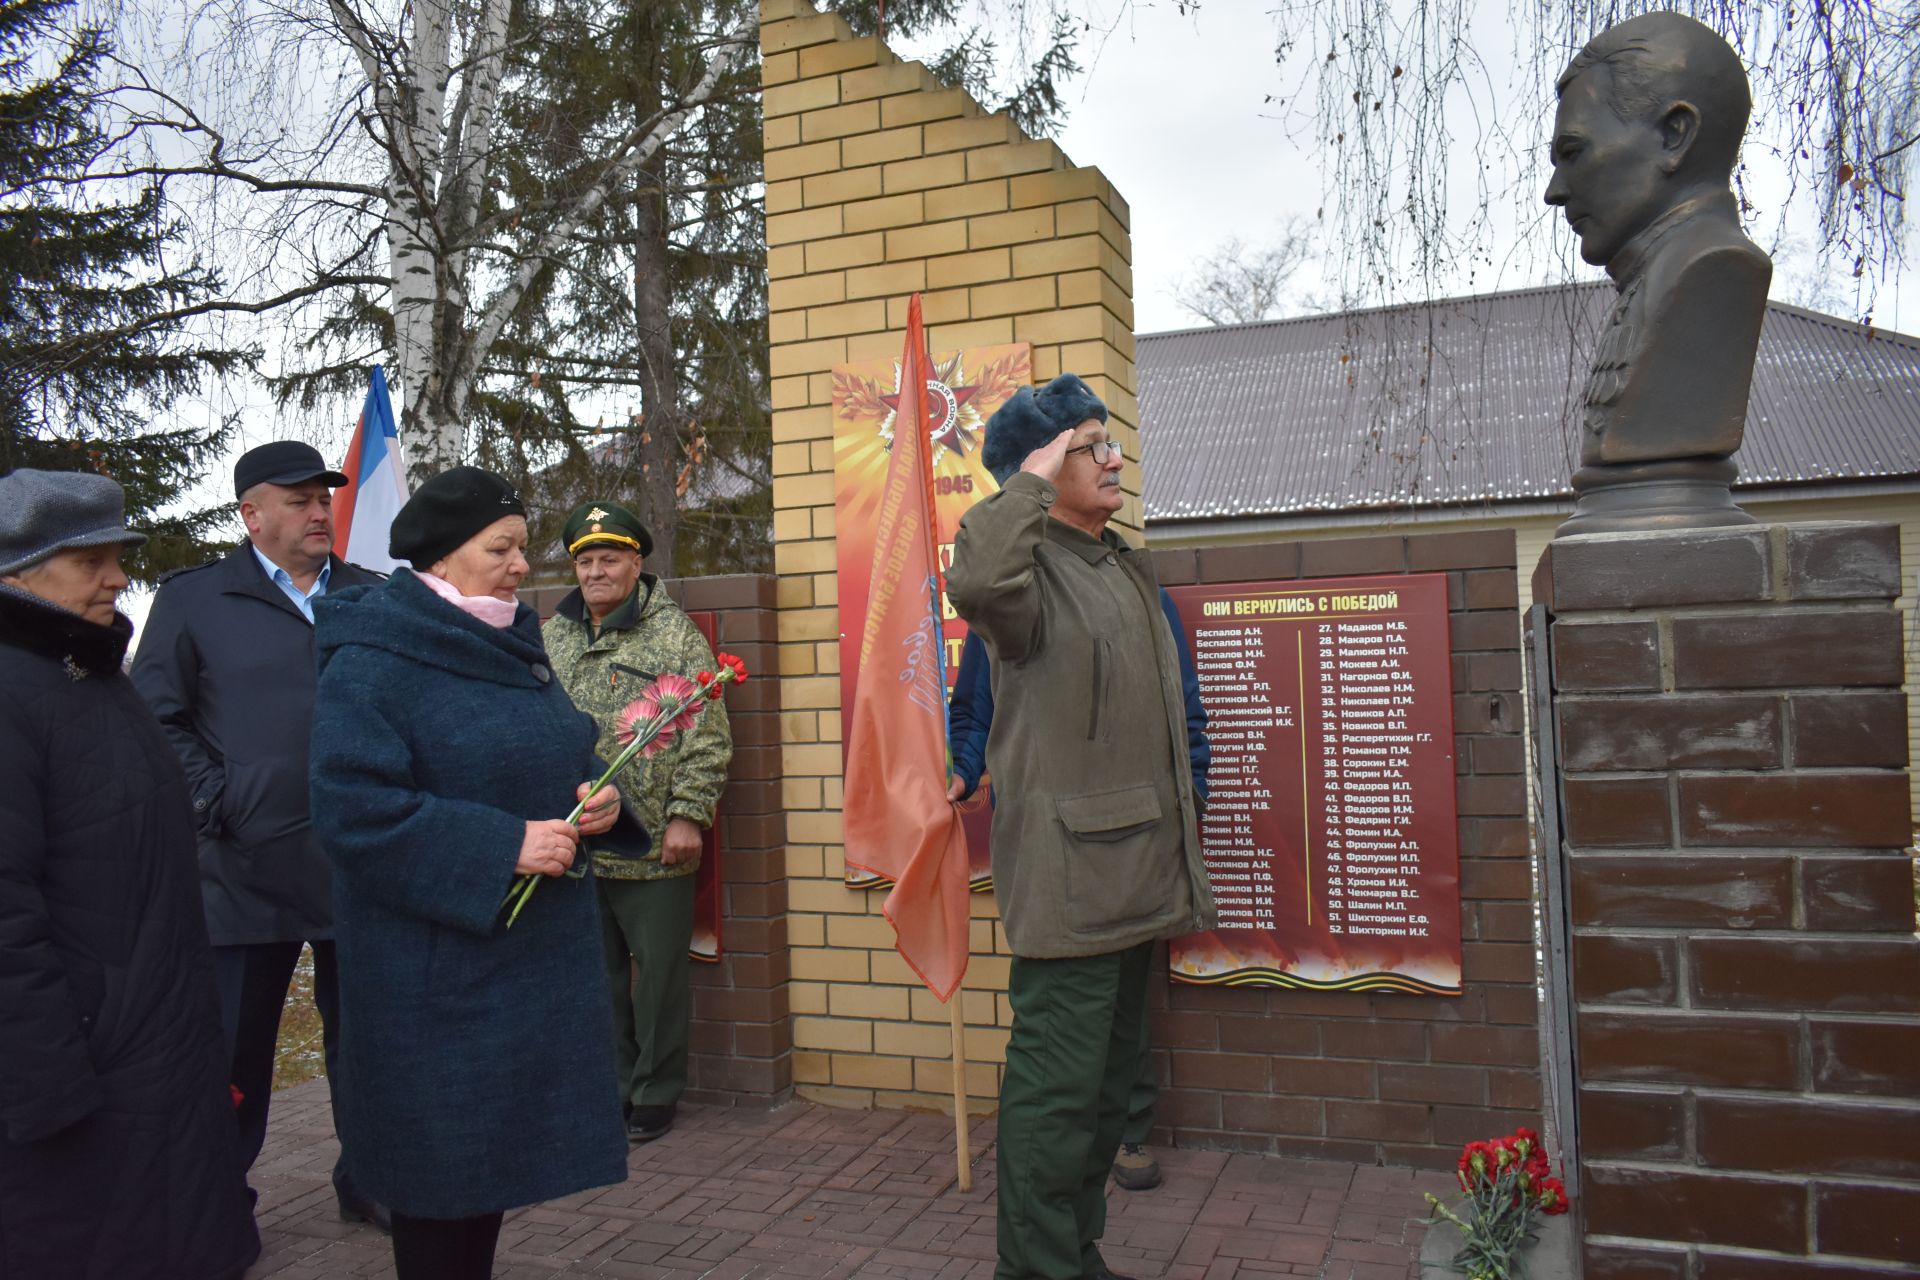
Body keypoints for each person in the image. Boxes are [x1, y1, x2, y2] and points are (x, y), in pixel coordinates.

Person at [308, 466, 633, 1280]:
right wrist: (500, 847)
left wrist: (600, 795)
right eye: (504, 548)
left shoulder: (506, 639)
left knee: (484, 1176)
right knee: (437, 1187)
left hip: (515, 974)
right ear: (442, 559)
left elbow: (560, 747)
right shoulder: (373, 662)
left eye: (523, 546)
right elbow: (355, 813)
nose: (524, 565)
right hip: (435, 986)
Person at [946, 374, 1217, 1280]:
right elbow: (978, 573)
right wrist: (1023, 476)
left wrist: (1191, 813)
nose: (1114, 457)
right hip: (1071, 880)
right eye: (1090, 444)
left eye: (1108, 442)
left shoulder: (1124, 569)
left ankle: (1074, 1252)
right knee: (1058, 1095)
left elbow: (1182, 717)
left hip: (1141, 869)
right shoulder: (1026, 584)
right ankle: (1035, 1265)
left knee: (1105, 1097)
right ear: (1044, 463)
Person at [0, 469, 260, 1280]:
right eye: (90, 561)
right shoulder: (15, 695)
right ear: (15, 575)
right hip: (84, 1074)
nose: (118, 577)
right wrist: (48, 1082)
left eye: (117, 556)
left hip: (157, 1055)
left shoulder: (92, 676)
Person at [130, 440, 389, 1227]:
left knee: (370, 1048)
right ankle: (218, 1200)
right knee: (232, 1054)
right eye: (301, 499)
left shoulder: (376, 597)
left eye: (326, 498)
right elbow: (156, 718)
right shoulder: (196, 600)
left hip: (359, 863)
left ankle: (371, 1181)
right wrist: (220, 803)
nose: (320, 512)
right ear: (252, 513)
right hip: (241, 875)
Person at [946, 589, 1210, 1192]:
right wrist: (963, 768)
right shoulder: (1004, 597)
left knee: (1123, 1000)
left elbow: (1183, 705)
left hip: (1131, 835)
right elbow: (973, 708)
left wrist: (1190, 793)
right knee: (1057, 1006)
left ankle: (1127, 1128)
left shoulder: (1134, 590)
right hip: (1046, 847)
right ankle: (1060, 1156)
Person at [543, 499, 731, 1144]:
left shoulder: (673, 633)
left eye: (609, 559)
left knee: (658, 981)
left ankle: (655, 1093)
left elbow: (707, 733)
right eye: (585, 561)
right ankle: (613, 1087)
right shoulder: (553, 635)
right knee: (595, 976)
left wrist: (688, 816)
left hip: (654, 839)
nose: (596, 572)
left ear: (636, 562)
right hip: (571, 838)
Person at [1544, 11, 1772, 533]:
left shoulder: (1712, 275)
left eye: (1574, 152)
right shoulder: (1651, 283)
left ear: (1675, 135)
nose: (1554, 191)